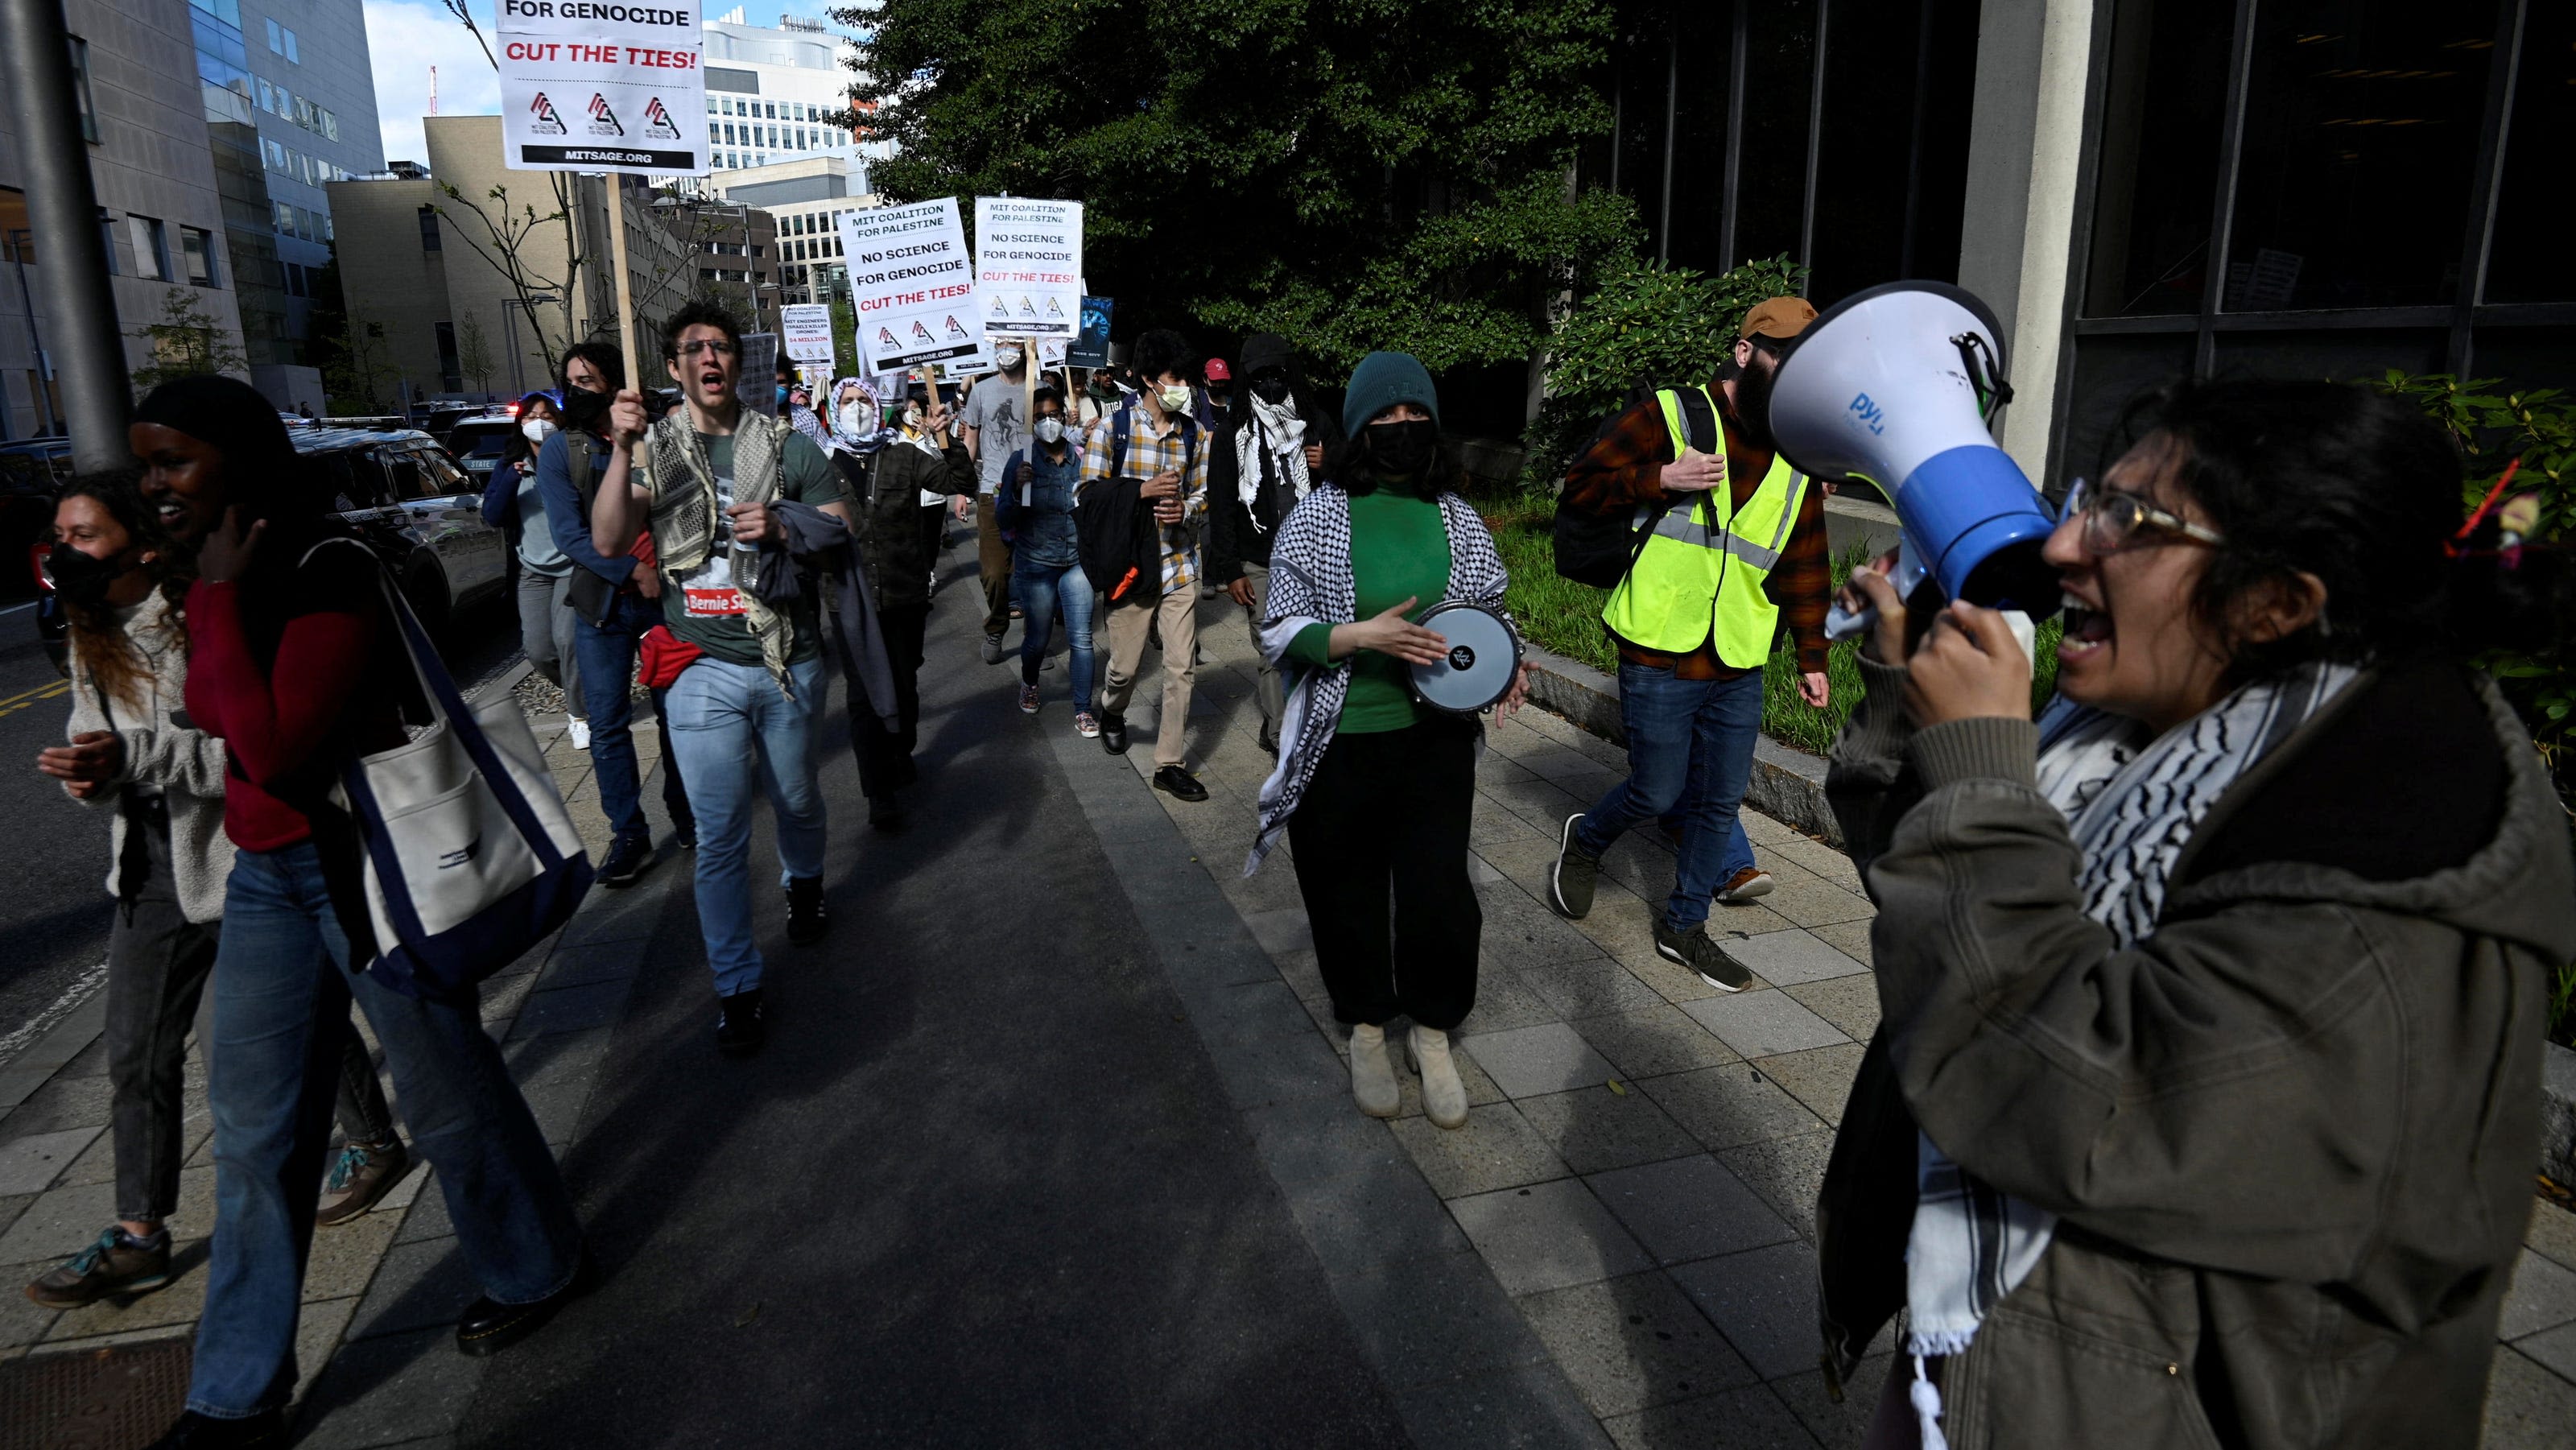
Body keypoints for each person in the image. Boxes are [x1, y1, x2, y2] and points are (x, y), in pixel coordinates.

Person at [1814, 377, 2576, 1448]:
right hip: (2007, 1344)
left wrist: (1984, 781)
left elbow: (2072, 1102)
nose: (2064, 544)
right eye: (2091, 496)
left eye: (2129, 521)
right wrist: (1908, 696)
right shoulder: (2169, 721)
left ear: (2276, 603)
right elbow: (1939, 900)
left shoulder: (2381, 846)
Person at [130, 378, 586, 1449]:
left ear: (238, 463)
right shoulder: (222, 577)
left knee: (446, 1097)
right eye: (145, 465)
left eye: (174, 463)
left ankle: (541, 1263)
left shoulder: (331, 573)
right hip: (268, 881)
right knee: (254, 1138)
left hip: (370, 873)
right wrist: (208, 596)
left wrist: (216, 602)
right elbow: (207, 708)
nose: (154, 486)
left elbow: (278, 746)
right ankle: (234, 1396)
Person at [23, 473, 411, 1315]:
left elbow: (240, 750)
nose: (66, 552)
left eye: (84, 535)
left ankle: (372, 1139)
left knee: (282, 1029)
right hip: (145, 872)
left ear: (143, 543)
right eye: (60, 534)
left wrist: (132, 759)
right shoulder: (92, 630)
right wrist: (87, 775)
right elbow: (92, 745)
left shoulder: (200, 618)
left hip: (239, 861)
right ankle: (139, 1234)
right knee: (135, 1050)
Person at [1244, 352, 1528, 1130]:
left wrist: (1505, 663)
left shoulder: (1454, 514)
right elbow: (1278, 628)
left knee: (1440, 894)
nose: (1401, 429)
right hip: (1340, 741)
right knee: (1344, 890)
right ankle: (1368, 1026)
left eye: (1415, 417)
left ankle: (1432, 1032)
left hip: (1432, 743)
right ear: (1360, 428)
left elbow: (1490, 609)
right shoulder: (1320, 514)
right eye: (1386, 417)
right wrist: (1352, 636)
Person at [1544, 296, 1833, 988]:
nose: (1795, 375)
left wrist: (1812, 654)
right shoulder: (1671, 416)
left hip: (1739, 652)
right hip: (1659, 647)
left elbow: (1804, 558)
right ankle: (1585, 841)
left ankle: (1684, 926)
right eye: (1784, 358)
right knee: (1655, 790)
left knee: (1718, 799)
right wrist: (1660, 478)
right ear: (1745, 353)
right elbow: (1579, 488)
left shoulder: (1800, 448)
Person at [589, 301, 853, 1057]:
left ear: (740, 364)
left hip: (788, 657)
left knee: (799, 796)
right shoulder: (653, 448)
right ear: (674, 368)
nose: (710, 358)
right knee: (720, 835)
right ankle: (737, 985)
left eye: (723, 348)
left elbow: (840, 523)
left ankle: (804, 881)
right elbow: (610, 537)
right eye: (694, 349)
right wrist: (620, 447)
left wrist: (783, 525)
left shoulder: (783, 442)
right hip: (701, 668)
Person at [539, 343, 696, 884]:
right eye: (571, 380)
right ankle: (628, 832)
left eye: (589, 379)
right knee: (607, 724)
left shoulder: (655, 436)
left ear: (612, 382)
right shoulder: (562, 451)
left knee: (677, 714)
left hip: (663, 603)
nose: (579, 389)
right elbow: (569, 537)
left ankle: (686, 812)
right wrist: (631, 569)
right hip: (602, 608)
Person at [1080, 328, 1212, 799]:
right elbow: (1086, 497)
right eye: (1177, 379)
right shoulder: (1113, 431)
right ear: (1150, 380)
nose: (1186, 389)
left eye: (1188, 380)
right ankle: (1112, 710)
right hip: (1130, 569)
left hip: (1178, 565)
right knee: (1125, 668)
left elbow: (1203, 494)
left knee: (1180, 668)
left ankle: (1169, 764)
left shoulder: (1195, 433)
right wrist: (1138, 491)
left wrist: (1188, 510)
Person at [848, 385, 975, 825]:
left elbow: (961, 483)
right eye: (846, 403)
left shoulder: (901, 455)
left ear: (878, 407)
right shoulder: (823, 462)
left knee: (902, 685)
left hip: (903, 593)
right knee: (864, 698)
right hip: (850, 601)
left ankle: (900, 750)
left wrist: (948, 439)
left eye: (864, 401)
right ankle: (878, 793)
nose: (856, 410)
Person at [1207, 333, 1338, 755]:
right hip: (1259, 560)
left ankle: (1308, 719)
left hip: (1314, 555)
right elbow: (1222, 502)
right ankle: (1284, 735)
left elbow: (1356, 486)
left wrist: (1332, 463)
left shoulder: (1317, 425)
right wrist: (1230, 569)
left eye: (1277, 375)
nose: (1269, 385)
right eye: (1259, 377)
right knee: (1271, 647)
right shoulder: (1233, 433)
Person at [481, 392, 588, 751]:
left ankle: (579, 715)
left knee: (568, 638)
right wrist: (512, 479)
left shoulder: (574, 457)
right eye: (531, 416)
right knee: (539, 649)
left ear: (559, 423)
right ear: (521, 423)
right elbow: (492, 515)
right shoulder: (510, 464)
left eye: (547, 415)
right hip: (532, 569)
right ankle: (590, 688)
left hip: (572, 565)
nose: (540, 422)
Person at [999, 386, 1096, 729]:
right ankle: (1030, 682)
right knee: (1038, 638)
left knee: (1082, 639)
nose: (1048, 422)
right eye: (1040, 417)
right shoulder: (1021, 459)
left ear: (1064, 414)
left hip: (1076, 563)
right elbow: (1003, 519)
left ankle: (1083, 708)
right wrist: (1014, 489)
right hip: (1037, 563)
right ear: (1032, 420)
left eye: (1054, 415)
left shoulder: (1083, 457)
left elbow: (1095, 510)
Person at [962, 340, 1033, 663]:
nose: (1006, 349)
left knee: (1033, 573)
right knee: (993, 573)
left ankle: (1036, 637)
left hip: (1033, 493)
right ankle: (997, 626)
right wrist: (962, 488)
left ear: (1025, 346)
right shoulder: (981, 391)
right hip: (992, 491)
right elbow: (971, 438)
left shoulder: (1040, 388)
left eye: (1012, 344)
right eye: (1000, 343)